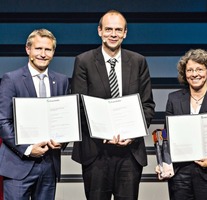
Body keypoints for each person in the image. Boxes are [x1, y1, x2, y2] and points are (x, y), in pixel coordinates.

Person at [71, 10, 155, 200]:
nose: (113, 34)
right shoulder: (83, 61)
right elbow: (79, 106)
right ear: (99, 31)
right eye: (108, 29)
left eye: (118, 30)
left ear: (125, 33)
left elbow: (147, 105)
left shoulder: (138, 61)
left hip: (129, 153)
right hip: (96, 152)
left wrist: (132, 134)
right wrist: (103, 134)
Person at [0, 29, 69, 200]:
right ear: (28, 50)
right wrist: (28, 149)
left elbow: (65, 119)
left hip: (49, 166)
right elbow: (3, 121)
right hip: (18, 165)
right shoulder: (11, 79)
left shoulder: (61, 81)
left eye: (48, 49)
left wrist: (62, 140)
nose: (43, 54)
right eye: (38, 48)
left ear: (53, 53)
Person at [159, 49, 207, 200]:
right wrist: (163, 163)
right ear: (184, 73)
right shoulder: (173, 99)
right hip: (180, 174)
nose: (195, 74)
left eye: (200, 69)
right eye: (190, 70)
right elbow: (166, 136)